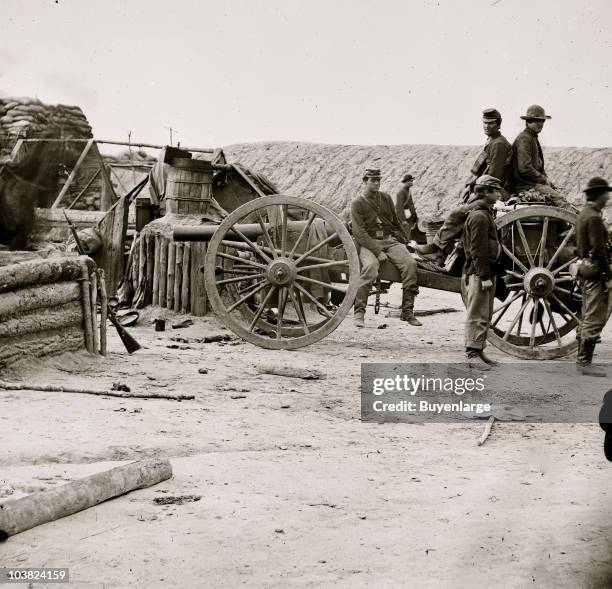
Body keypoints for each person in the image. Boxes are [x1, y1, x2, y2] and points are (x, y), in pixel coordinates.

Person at [416, 108, 511, 258]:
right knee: (461, 215)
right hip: (485, 191)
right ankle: (441, 253)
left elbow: (493, 177)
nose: (486, 126)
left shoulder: (499, 144)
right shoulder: (493, 141)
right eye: (484, 123)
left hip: (492, 194)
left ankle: (436, 247)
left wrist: (476, 190)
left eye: (491, 123)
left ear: (498, 124)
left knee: (458, 213)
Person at [351, 168, 421, 327]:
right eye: (372, 180)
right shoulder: (358, 203)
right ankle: (359, 312)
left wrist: (404, 241)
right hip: (369, 243)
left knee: (411, 265)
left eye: (378, 180)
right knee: (370, 267)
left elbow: (396, 221)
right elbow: (359, 233)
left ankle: (407, 312)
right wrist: (378, 251)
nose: (376, 183)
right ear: (365, 181)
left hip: (389, 240)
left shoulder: (386, 198)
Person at [462, 175, 504, 369]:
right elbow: (478, 250)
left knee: (484, 313)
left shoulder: (484, 213)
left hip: (482, 273)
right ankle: (472, 354)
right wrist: (484, 276)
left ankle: (479, 351)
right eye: (495, 190)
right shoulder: (479, 216)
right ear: (485, 192)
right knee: (477, 313)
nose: (499, 193)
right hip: (478, 273)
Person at [575, 177, 612, 376]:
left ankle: (582, 361)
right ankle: (584, 363)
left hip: (585, 271)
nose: (608, 198)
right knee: (595, 318)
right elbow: (599, 251)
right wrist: (608, 276)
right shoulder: (595, 218)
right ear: (598, 196)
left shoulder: (584, 214)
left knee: (588, 314)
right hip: (596, 273)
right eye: (606, 194)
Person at [509, 105, 575, 211]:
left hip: (531, 183)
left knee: (557, 195)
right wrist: (543, 179)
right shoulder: (525, 139)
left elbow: (537, 166)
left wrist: (546, 180)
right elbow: (525, 167)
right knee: (560, 200)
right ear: (528, 121)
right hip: (524, 185)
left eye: (542, 121)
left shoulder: (531, 138)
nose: (541, 124)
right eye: (537, 121)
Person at [395, 173, 419, 240]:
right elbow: (399, 207)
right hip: (403, 218)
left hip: (409, 216)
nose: (412, 182)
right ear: (406, 182)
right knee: (404, 234)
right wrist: (403, 220)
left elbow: (411, 204)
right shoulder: (401, 192)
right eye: (411, 181)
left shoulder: (408, 191)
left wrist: (415, 216)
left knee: (408, 234)